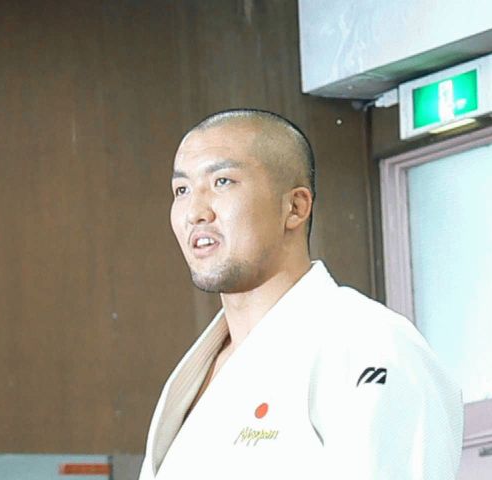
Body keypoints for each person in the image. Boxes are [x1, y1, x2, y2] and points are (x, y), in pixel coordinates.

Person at [138, 109, 463, 479]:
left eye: (222, 181)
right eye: (181, 190)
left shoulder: (369, 344)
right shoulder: (197, 376)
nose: (195, 212)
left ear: (294, 207)